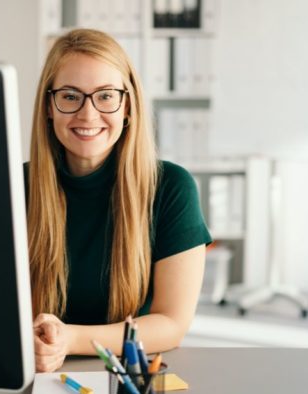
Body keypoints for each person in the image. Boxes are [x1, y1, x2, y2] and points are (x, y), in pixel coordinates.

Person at [27, 28, 212, 372]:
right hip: (33, 373)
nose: (87, 113)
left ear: (127, 106)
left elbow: (172, 325)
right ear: (49, 107)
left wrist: (69, 340)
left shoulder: (170, 187)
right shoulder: (13, 187)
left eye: (106, 96)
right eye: (70, 96)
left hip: (128, 375)